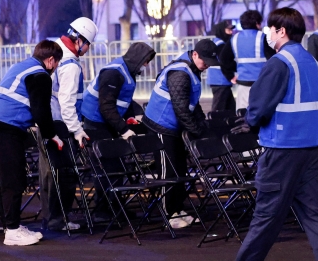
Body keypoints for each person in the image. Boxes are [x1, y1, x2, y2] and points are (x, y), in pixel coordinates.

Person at [234, 7, 318, 261]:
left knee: (265, 217)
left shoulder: (279, 63)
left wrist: (250, 120)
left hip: (281, 150)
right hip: (311, 148)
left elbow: (257, 108)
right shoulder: (312, 62)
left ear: (281, 31)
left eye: (271, 28)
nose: (268, 33)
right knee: (314, 215)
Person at [0, 40, 65, 246]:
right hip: (6, 128)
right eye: (57, 63)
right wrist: (52, 134)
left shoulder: (22, 66)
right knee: (13, 180)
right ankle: (12, 231)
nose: (56, 68)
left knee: (3, 181)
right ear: (51, 60)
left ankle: (10, 226)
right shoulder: (41, 75)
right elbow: (41, 110)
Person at [144, 38, 218, 228]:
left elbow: (192, 104)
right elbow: (182, 110)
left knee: (179, 169)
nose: (207, 66)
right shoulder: (180, 74)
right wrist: (198, 131)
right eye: (205, 61)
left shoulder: (192, 69)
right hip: (160, 125)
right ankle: (169, 213)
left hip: (172, 126)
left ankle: (177, 208)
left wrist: (203, 125)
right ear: (194, 55)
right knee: (168, 171)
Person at [46, 17, 97, 232]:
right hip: (63, 124)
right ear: (80, 40)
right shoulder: (70, 65)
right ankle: (59, 219)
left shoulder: (57, 53)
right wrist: (77, 130)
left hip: (52, 120)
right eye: (88, 44)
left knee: (53, 174)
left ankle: (53, 218)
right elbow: (67, 102)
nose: (87, 49)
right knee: (66, 174)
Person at [81, 41, 155, 139]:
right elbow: (107, 106)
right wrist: (124, 130)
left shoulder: (128, 70)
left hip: (108, 119)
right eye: (145, 61)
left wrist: (130, 117)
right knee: (107, 150)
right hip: (96, 120)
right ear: (138, 59)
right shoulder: (113, 73)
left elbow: (124, 99)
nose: (146, 65)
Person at [231, 10, 268, 110]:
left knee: (243, 117)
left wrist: (232, 74)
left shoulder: (234, 39)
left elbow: (224, 59)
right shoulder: (263, 37)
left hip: (243, 84)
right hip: (262, 85)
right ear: (257, 23)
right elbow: (273, 59)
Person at [206, 21, 236, 113]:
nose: (231, 32)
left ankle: (228, 126)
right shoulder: (221, 44)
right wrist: (231, 75)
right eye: (228, 30)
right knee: (218, 110)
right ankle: (213, 126)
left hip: (220, 81)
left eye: (231, 30)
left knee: (230, 108)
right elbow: (224, 61)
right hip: (220, 80)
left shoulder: (217, 42)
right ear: (221, 31)